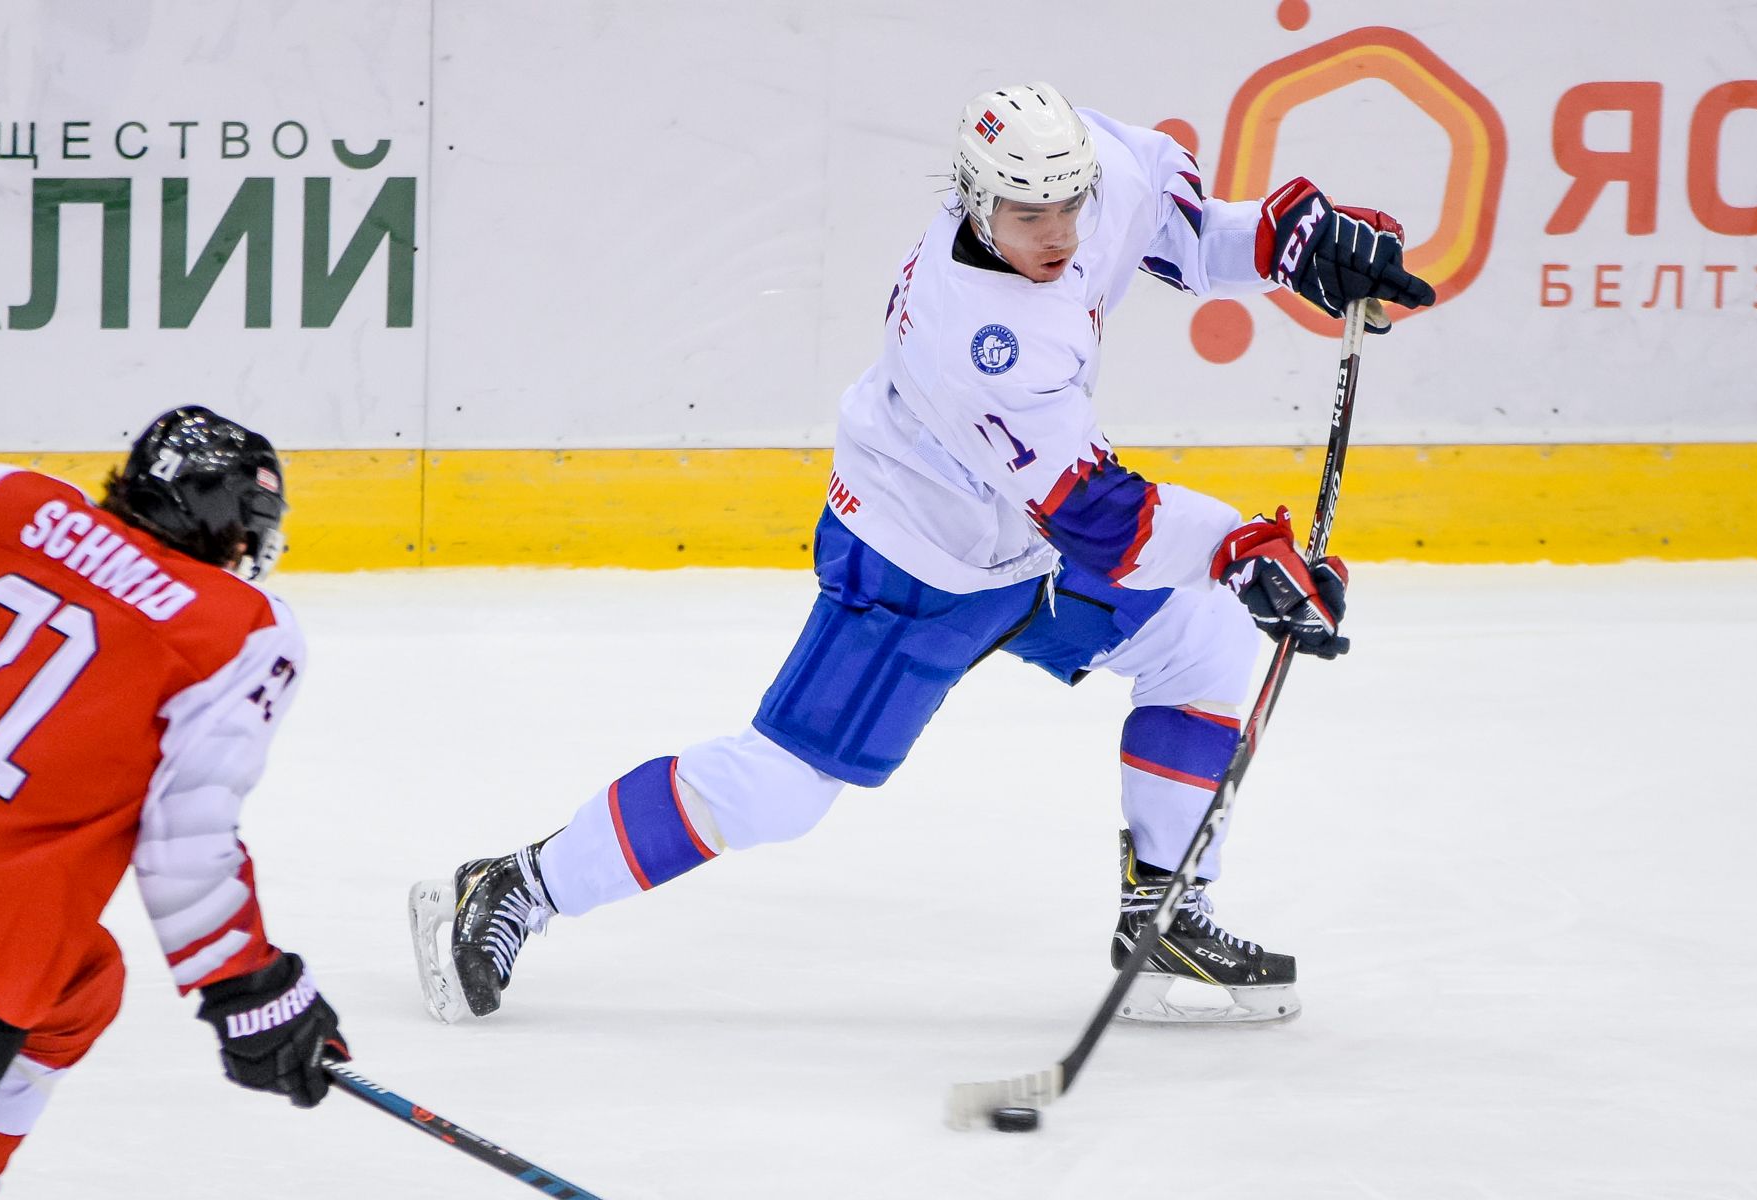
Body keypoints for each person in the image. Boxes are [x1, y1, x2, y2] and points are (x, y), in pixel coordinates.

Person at [409, 82, 1432, 1029]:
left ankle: (1164, 913)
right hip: (920, 561)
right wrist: (1244, 550)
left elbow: (1187, 236)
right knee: (780, 792)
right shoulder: (976, 333)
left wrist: (1291, 244)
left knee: (1202, 644)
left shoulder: (1092, 175)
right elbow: (1103, 520)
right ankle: (516, 884)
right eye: (1030, 218)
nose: (1060, 235)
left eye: (1068, 209)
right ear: (977, 205)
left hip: (1028, 536)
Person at [0, 408, 348, 1191]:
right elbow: (187, 837)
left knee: (82, 983)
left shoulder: (10, 498)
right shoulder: (234, 628)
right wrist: (249, 988)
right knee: (39, 964)